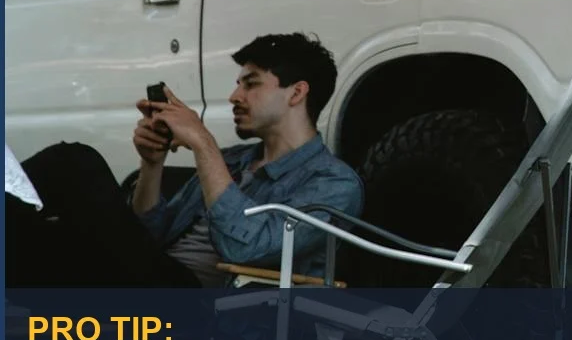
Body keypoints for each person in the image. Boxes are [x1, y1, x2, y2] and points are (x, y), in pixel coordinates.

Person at [10, 33, 363, 287]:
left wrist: (202, 141)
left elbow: (247, 249)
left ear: (297, 93)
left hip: (202, 311)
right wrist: (152, 165)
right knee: (38, 240)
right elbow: (148, 237)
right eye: (238, 83)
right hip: (149, 281)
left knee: (77, 162)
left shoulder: (332, 183)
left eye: (251, 84)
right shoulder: (233, 161)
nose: (234, 96)